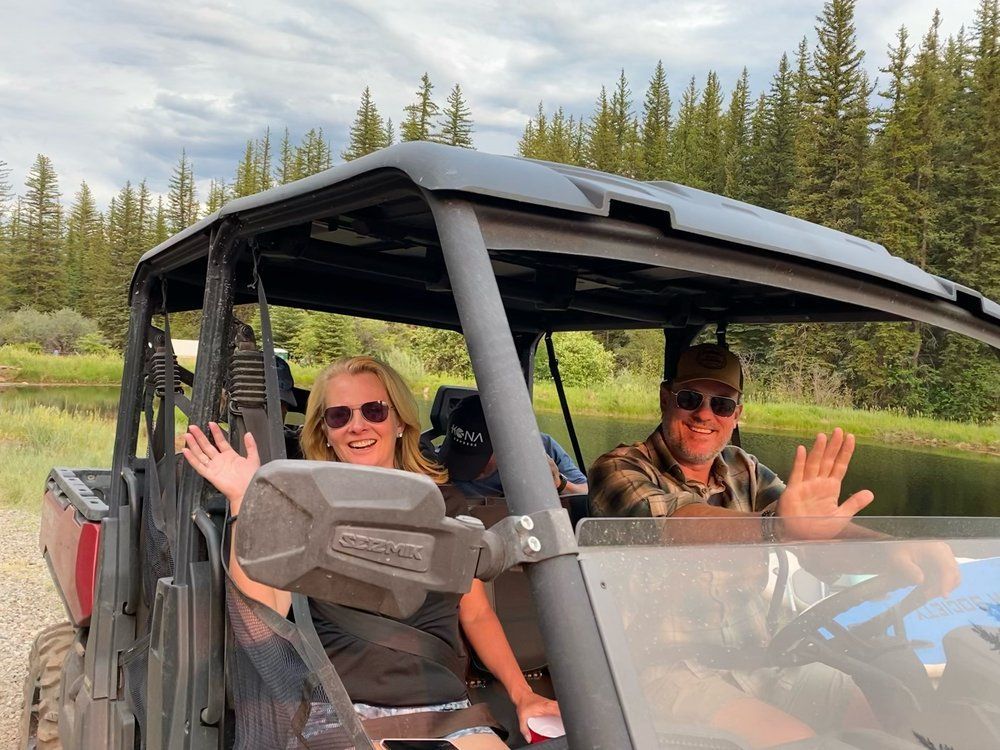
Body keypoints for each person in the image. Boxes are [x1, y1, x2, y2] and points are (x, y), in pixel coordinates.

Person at [588, 342, 959, 747]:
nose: (705, 414)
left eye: (722, 405)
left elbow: (813, 535)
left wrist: (893, 549)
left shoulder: (744, 469)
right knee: (799, 741)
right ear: (665, 398)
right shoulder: (619, 467)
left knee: (889, 716)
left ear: (737, 415)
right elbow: (674, 525)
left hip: (762, 659)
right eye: (690, 398)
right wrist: (776, 527)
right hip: (663, 671)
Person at [182, 356, 559, 748]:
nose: (357, 425)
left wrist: (522, 695)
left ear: (399, 423)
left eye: (374, 411)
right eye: (339, 416)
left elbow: (476, 612)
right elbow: (261, 623)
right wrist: (247, 500)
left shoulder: (446, 507)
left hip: (444, 710)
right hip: (341, 712)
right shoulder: (300, 509)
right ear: (325, 433)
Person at [440, 394, 587, 498]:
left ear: (506, 447)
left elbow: (588, 495)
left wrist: (559, 484)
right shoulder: (435, 465)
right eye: (459, 455)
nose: (465, 467)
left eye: (477, 459)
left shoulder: (542, 448)